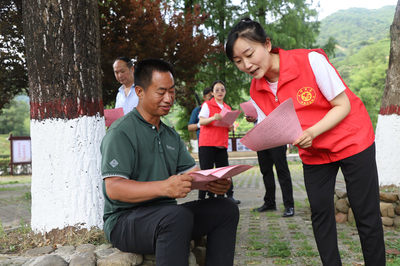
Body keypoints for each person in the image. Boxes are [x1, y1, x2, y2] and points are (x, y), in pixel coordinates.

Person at [226, 18, 385, 265]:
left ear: (267, 44)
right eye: (238, 62)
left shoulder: (310, 61)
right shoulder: (257, 89)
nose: (246, 65)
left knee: (366, 214)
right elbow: (278, 122)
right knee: (320, 214)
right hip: (315, 153)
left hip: (352, 140)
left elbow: (342, 105)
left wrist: (311, 132)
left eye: (249, 54)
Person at [100, 59, 239, 266]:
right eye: (161, 92)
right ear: (139, 92)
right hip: (125, 221)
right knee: (176, 216)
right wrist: (165, 187)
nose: (169, 98)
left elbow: (192, 175)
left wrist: (212, 182)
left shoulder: (169, 135)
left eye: (172, 92)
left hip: (168, 216)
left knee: (226, 209)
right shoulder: (121, 132)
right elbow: (114, 189)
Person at [198, 80, 240, 204]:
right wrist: (213, 118)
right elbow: (201, 122)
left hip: (221, 144)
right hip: (207, 144)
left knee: (224, 172)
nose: (220, 92)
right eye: (217, 90)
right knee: (207, 172)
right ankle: (204, 198)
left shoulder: (227, 108)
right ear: (212, 92)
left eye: (222, 90)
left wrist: (231, 127)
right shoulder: (207, 105)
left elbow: (227, 125)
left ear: (225, 92)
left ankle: (226, 196)